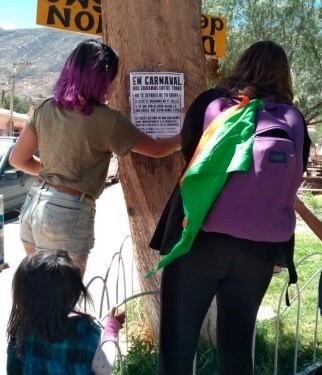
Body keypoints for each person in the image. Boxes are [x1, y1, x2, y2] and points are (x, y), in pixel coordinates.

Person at [151, 40, 311, 375]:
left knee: (177, 348)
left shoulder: (214, 103)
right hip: (259, 252)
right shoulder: (292, 118)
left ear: (242, 64)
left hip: (199, 240)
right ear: (284, 75)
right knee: (237, 350)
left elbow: (192, 155)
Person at [9, 39, 181, 275]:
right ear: (102, 79)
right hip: (65, 215)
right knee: (63, 300)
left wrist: (57, 174)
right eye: (111, 79)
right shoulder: (107, 120)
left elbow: (17, 159)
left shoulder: (46, 108)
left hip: (33, 206)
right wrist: (190, 135)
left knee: (39, 297)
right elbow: (158, 149)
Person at [7, 249, 125, 374]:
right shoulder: (86, 334)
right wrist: (111, 331)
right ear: (73, 294)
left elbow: (13, 370)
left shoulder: (21, 331)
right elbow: (105, 369)